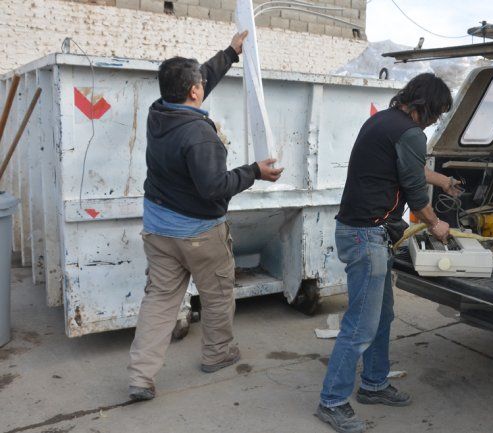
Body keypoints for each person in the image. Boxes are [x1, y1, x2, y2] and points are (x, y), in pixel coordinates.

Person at [127, 31, 284, 401]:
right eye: (199, 84)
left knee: (160, 302)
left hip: (157, 228)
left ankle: (140, 376)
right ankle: (218, 353)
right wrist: (255, 172)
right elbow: (214, 187)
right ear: (194, 92)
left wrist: (230, 53)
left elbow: (200, 82)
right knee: (217, 295)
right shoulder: (200, 136)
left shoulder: (159, 112)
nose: (202, 86)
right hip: (198, 234)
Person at [316, 73, 459, 433]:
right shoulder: (412, 133)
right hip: (367, 236)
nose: (436, 120)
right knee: (360, 326)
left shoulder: (382, 121)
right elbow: (414, 192)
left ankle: (374, 384)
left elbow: (407, 167)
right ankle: (332, 401)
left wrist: (442, 180)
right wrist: (436, 224)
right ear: (425, 106)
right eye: (438, 112)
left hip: (360, 231)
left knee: (381, 316)